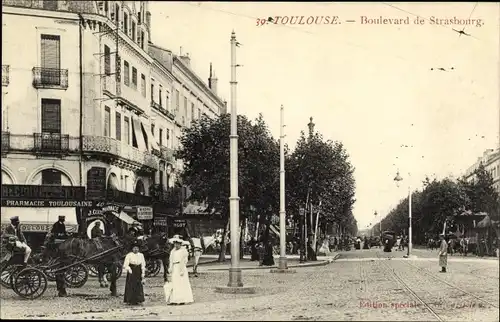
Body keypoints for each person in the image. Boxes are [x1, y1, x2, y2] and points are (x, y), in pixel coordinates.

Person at [166, 235, 194, 305]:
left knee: (181, 283)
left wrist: (181, 270)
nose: (176, 245)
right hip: (174, 267)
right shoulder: (173, 251)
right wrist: (170, 268)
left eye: (177, 243)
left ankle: (182, 299)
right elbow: (171, 260)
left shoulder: (183, 251)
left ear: (180, 244)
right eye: (175, 243)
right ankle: (174, 300)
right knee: (174, 283)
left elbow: (184, 260)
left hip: (180, 267)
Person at [123, 241, 146, 305]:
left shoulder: (141, 255)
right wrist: (129, 269)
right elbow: (125, 264)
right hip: (132, 270)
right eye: (134, 248)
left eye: (137, 248)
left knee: (138, 284)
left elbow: (143, 264)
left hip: (138, 270)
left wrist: (143, 272)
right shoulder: (129, 255)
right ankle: (130, 300)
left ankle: (138, 299)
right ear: (132, 249)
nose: (136, 249)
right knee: (131, 285)